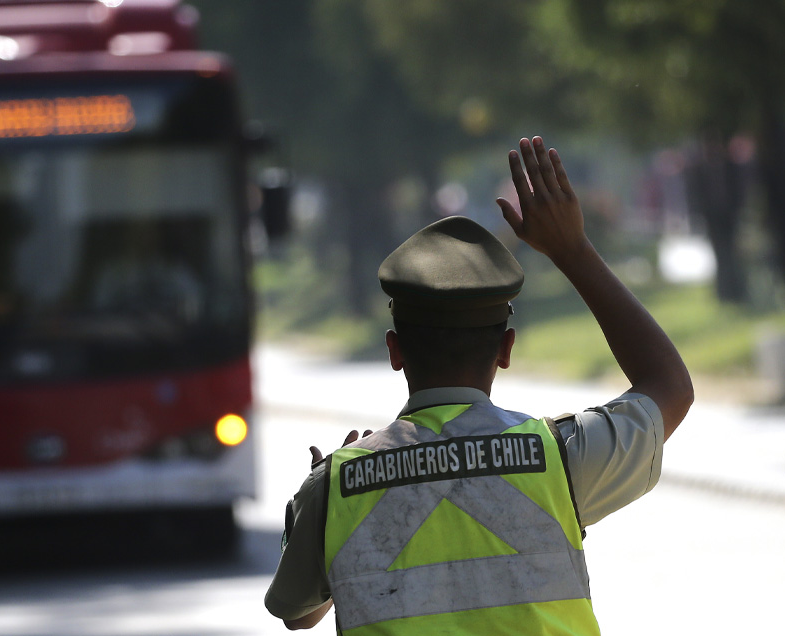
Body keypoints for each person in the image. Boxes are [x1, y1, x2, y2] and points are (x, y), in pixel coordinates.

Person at [264, 137, 694, 634]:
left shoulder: (339, 484)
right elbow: (669, 386)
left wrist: (322, 501)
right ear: (506, 349)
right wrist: (572, 249)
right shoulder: (559, 458)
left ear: (394, 350)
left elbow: (295, 614)